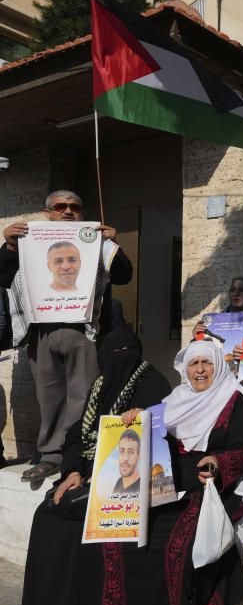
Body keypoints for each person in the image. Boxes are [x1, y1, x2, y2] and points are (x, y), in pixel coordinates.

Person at [92, 338, 243, 605]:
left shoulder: (235, 399)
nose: (199, 370)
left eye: (206, 362)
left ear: (218, 366)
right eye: (193, 363)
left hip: (214, 487)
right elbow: (155, 433)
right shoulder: (176, 400)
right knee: (122, 539)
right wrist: (138, 417)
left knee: (177, 548)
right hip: (172, 484)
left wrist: (217, 462)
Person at [19, 328, 171, 605]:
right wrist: (74, 470)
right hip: (87, 473)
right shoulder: (100, 386)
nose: (121, 361)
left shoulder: (154, 384)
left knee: (76, 533)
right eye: (114, 355)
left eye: (129, 354)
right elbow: (77, 434)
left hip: (131, 486)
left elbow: (162, 437)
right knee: (46, 516)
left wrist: (144, 418)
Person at [1, 190, 133, 482]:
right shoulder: (29, 241)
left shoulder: (95, 240)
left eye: (75, 206)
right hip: (42, 333)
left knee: (82, 398)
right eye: (61, 206)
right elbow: (4, 274)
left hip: (83, 331)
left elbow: (123, 275)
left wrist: (112, 243)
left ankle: (77, 456)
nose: (68, 211)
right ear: (47, 213)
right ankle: (50, 455)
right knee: (49, 397)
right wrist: (9, 244)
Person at [192, 274, 243, 338]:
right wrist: (198, 338)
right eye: (232, 290)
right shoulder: (217, 320)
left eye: (242, 290)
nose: (236, 294)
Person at [112, 428, 141, 494]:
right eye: (122, 451)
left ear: (138, 456)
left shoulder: (143, 487)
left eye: (131, 452)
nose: (125, 458)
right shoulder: (119, 482)